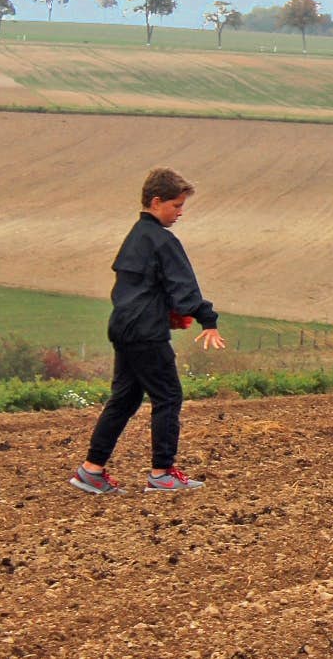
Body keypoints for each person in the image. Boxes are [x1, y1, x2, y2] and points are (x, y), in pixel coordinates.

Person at [69, 167, 226, 495]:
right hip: (146, 333)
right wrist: (207, 319)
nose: (180, 212)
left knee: (125, 399)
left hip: (122, 328)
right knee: (169, 396)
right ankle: (162, 473)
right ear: (156, 202)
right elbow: (184, 288)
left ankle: (91, 470)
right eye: (176, 205)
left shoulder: (135, 237)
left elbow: (134, 289)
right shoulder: (162, 241)